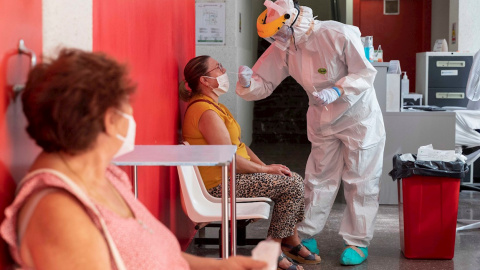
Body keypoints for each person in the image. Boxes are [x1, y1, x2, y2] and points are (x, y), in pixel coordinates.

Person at [0, 49, 268, 270]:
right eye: (126, 104)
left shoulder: (105, 175)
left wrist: (222, 266)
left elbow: (152, 255)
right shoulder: (59, 213)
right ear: (109, 118)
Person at [235, 0, 386, 266]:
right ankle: (305, 234)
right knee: (318, 178)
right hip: (322, 118)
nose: (277, 39)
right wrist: (249, 82)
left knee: (360, 179)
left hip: (358, 117)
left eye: (279, 33)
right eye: (273, 35)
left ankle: (357, 241)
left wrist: (339, 89)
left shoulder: (337, 33)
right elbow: (265, 80)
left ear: (293, 21)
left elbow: (365, 72)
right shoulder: (285, 46)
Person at [180, 55, 321, 270]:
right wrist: (265, 170)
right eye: (218, 68)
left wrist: (268, 168)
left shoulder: (215, 107)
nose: (224, 70)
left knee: (289, 177)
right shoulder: (205, 112)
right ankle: (273, 250)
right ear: (204, 81)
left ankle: (290, 240)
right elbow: (227, 158)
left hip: (232, 177)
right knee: (292, 185)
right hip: (220, 186)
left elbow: (240, 146)